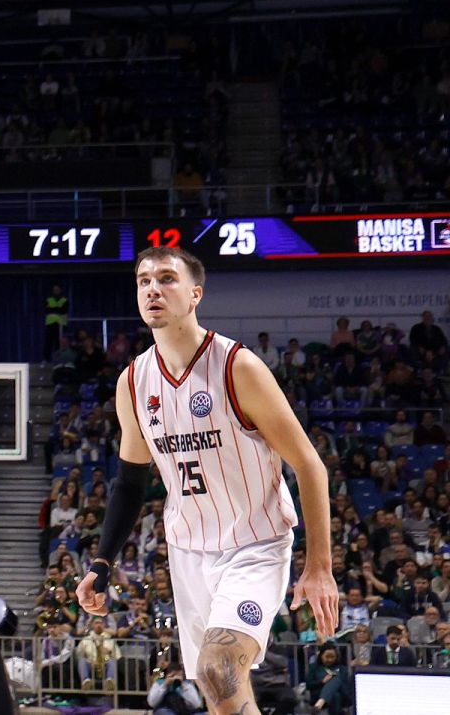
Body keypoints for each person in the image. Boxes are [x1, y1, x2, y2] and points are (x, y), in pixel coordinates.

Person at [77, 246, 340, 714]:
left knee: (220, 664)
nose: (152, 288)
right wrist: (102, 562)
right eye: (143, 281)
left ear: (195, 293)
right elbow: (131, 482)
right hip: (188, 554)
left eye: (166, 279)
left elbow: (309, 464)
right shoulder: (133, 382)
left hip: (254, 545)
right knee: (221, 696)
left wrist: (319, 565)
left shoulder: (237, 367)